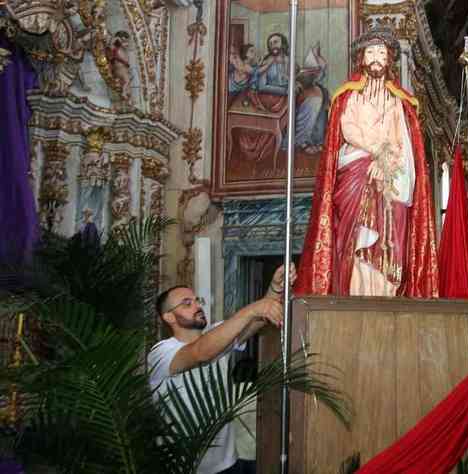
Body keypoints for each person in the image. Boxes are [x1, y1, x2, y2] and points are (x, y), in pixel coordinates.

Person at [294, 26, 438, 297]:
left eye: (381, 52)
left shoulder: (400, 102)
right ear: (362, 58)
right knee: (354, 231)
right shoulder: (348, 97)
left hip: (390, 174)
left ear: (389, 59)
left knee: (391, 229)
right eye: (370, 52)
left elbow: (401, 140)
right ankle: (355, 290)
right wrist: (376, 151)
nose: (375, 57)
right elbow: (348, 130)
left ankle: (386, 290)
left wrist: (385, 160)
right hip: (355, 168)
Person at [148, 264, 291, 474]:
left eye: (197, 300)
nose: (197, 305)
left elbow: (257, 322)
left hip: (227, 463)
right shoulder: (160, 352)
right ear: (168, 317)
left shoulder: (216, 336)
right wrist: (253, 308)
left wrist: (275, 289)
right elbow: (200, 352)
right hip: (185, 467)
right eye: (187, 303)